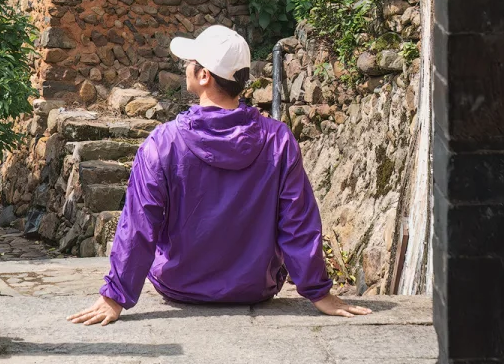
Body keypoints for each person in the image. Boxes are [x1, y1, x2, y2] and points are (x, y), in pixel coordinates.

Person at [69, 24, 370, 325]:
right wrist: (318, 292)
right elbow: (297, 222)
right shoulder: (278, 140)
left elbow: (140, 224)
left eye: (191, 62)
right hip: (255, 288)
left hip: (179, 286)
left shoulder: (163, 143)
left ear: (204, 76)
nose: (185, 66)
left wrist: (114, 297)